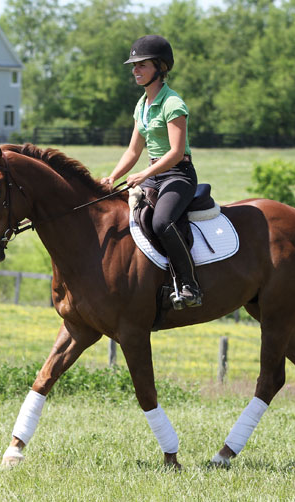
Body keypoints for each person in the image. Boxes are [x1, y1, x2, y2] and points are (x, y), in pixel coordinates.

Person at [102, 35, 202, 308]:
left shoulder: (173, 104)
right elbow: (133, 151)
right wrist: (112, 177)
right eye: (133, 65)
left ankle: (189, 283)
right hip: (154, 174)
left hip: (178, 175)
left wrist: (143, 175)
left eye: (141, 65)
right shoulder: (142, 105)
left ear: (160, 67)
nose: (135, 70)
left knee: (161, 222)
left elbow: (176, 152)